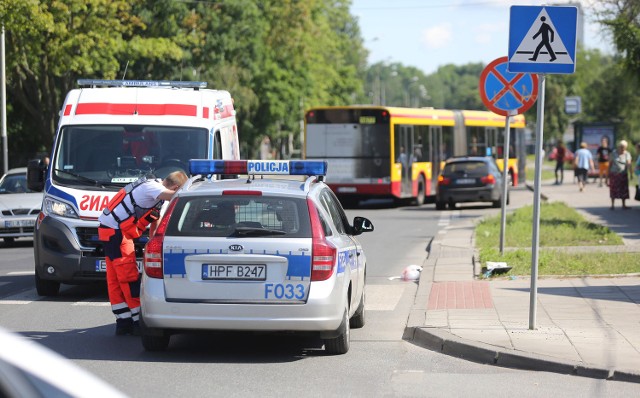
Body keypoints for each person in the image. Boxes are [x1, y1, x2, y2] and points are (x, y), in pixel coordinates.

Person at [98, 171, 188, 335]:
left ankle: (123, 321)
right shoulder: (152, 188)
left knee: (115, 278)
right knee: (128, 276)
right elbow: (175, 197)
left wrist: (153, 243)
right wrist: (190, 191)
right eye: (177, 190)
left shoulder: (154, 193)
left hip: (112, 231)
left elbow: (155, 220)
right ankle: (137, 321)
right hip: (116, 232)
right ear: (175, 187)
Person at [608, 140, 632, 210]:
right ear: (618, 146)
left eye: (624, 147)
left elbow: (629, 164)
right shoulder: (613, 153)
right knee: (613, 189)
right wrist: (607, 175)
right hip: (614, 174)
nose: (622, 149)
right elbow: (610, 164)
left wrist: (631, 173)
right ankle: (612, 205)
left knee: (623, 189)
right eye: (621, 147)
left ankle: (623, 204)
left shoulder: (627, 154)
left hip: (623, 174)